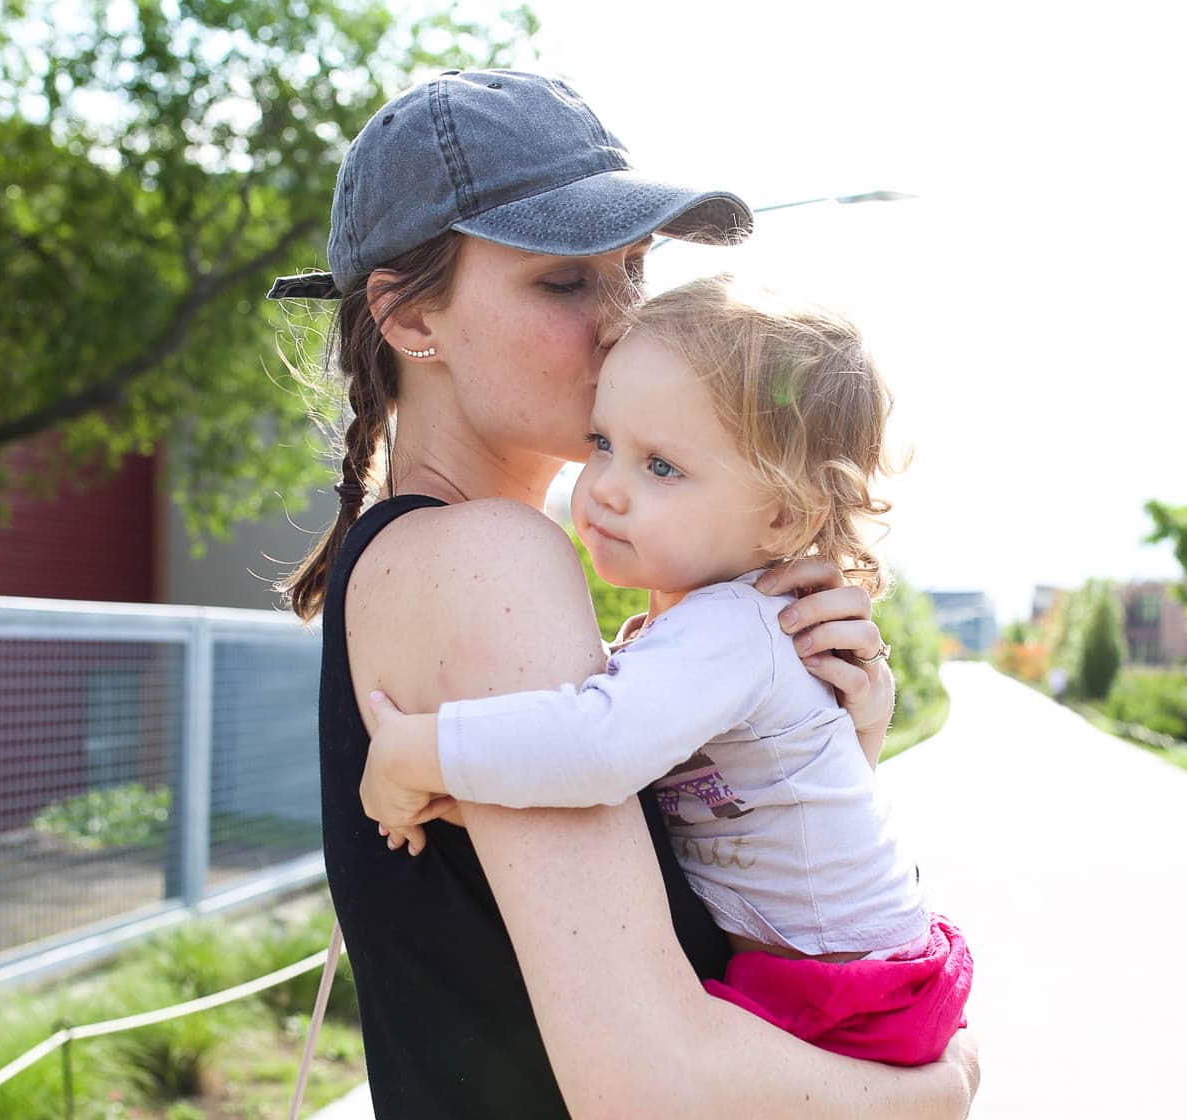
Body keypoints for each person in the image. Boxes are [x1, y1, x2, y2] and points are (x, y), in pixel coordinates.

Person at [268, 69, 978, 1117]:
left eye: (633, 269)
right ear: (410, 317)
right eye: (564, 283)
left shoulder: (451, 555)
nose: (622, 323)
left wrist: (808, 739)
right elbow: (650, 1081)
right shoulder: (490, 557)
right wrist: (940, 1089)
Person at [359, 275, 973, 1067]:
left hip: (846, 996)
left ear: (783, 515)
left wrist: (416, 752)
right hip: (846, 978)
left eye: (662, 467)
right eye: (603, 443)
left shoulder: (733, 627)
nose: (605, 489)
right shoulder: (690, 637)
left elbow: (598, 748)